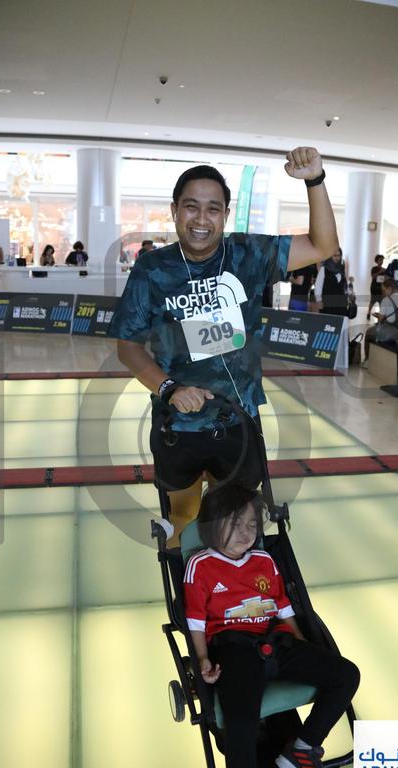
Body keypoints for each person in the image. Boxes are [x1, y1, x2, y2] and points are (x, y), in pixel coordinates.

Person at [110, 147, 338, 544]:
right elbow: (127, 345)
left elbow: (323, 246)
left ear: (226, 215)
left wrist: (315, 181)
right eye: (191, 207)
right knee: (184, 516)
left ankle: (226, 580)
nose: (202, 219)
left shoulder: (249, 254)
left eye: (213, 209)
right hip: (179, 425)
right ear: (174, 210)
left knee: (234, 520)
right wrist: (170, 388)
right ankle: (191, 579)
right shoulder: (152, 269)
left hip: (239, 421)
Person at [184, 484, 360, 768]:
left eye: (252, 524)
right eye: (235, 524)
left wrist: (300, 639)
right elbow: (195, 621)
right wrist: (202, 659)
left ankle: (303, 749)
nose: (245, 532)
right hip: (234, 648)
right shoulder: (200, 565)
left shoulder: (264, 560)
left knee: (346, 675)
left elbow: (283, 606)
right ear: (212, 527)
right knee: (241, 722)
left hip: (277, 641)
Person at [362, 278, 398, 366]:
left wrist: (379, 316)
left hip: (389, 332)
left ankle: (367, 360)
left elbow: (380, 320)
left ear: (390, 289)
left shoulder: (386, 300)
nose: (383, 293)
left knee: (368, 332)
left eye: (384, 290)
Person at [314, 247, 348, 316]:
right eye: (334, 255)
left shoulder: (341, 268)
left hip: (341, 305)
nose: (337, 258)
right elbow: (318, 286)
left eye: (339, 255)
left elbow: (344, 285)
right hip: (327, 305)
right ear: (330, 256)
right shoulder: (324, 269)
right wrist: (319, 300)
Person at [366, 253, 386, 320]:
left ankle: (380, 317)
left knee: (381, 302)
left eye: (382, 260)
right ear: (377, 261)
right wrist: (380, 271)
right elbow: (373, 276)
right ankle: (368, 313)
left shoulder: (384, 270)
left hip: (381, 288)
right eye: (380, 260)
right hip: (374, 288)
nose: (381, 261)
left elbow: (385, 278)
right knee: (372, 301)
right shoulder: (374, 268)